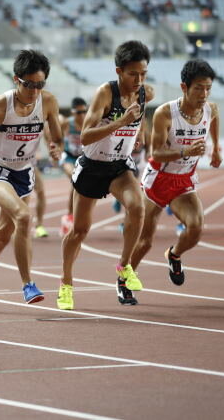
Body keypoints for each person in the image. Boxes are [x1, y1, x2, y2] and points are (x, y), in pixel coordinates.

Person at [0, 50, 63, 306]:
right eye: (29, 85)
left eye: (40, 85)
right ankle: (28, 284)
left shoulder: (47, 102)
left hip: (23, 173)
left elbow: (56, 135)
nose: (35, 91)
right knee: (24, 216)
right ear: (16, 79)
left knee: (3, 235)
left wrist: (55, 147)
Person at [57, 40, 155, 310]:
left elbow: (143, 111)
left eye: (143, 73)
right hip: (92, 166)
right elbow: (86, 137)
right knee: (79, 231)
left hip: (119, 167)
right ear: (119, 71)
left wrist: (140, 133)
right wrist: (122, 122)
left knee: (138, 207)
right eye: (133, 73)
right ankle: (65, 283)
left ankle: (124, 267)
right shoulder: (105, 94)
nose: (139, 79)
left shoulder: (144, 92)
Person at [129, 59, 221, 292]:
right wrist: (185, 151)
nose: (204, 93)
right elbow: (156, 154)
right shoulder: (165, 113)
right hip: (158, 179)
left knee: (195, 228)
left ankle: (174, 254)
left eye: (208, 88)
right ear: (184, 87)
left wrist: (217, 148)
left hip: (184, 180)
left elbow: (214, 120)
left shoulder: (211, 108)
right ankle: (125, 278)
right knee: (144, 241)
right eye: (198, 88)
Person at [59, 98, 87, 236]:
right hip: (68, 157)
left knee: (77, 185)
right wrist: (55, 150)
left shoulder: (89, 123)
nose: (82, 115)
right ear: (72, 112)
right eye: (78, 112)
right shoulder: (66, 123)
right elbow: (57, 139)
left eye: (84, 112)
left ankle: (69, 217)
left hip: (83, 159)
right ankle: (70, 216)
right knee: (75, 178)